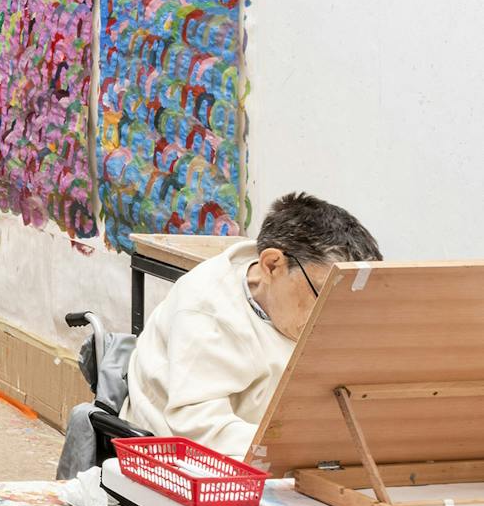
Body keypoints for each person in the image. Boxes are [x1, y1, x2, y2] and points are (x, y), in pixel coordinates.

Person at [124, 191, 382, 459]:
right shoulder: (207, 310)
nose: (332, 315)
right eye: (322, 293)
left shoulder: (294, 297)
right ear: (272, 265)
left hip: (277, 446)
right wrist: (309, 445)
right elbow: (199, 429)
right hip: (178, 456)